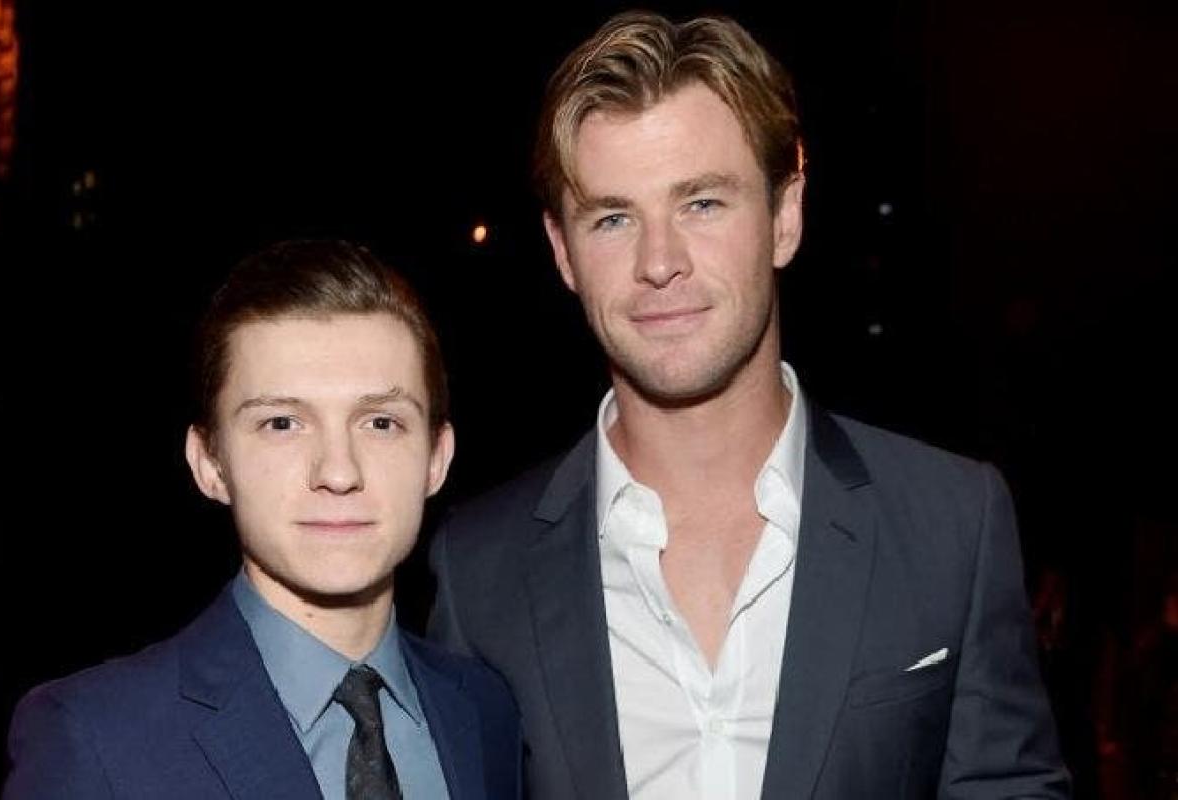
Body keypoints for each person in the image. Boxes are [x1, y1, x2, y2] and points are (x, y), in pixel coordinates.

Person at [428, 11, 1068, 799]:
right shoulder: (477, 571)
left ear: (784, 215)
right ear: (563, 251)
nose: (658, 262)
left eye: (701, 203)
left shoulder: (950, 522)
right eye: (613, 218)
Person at [5, 239, 521, 799]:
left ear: (437, 459)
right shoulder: (94, 739)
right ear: (210, 464)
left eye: (380, 423)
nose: (338, 471)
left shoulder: (483, 710)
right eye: (281, 423)